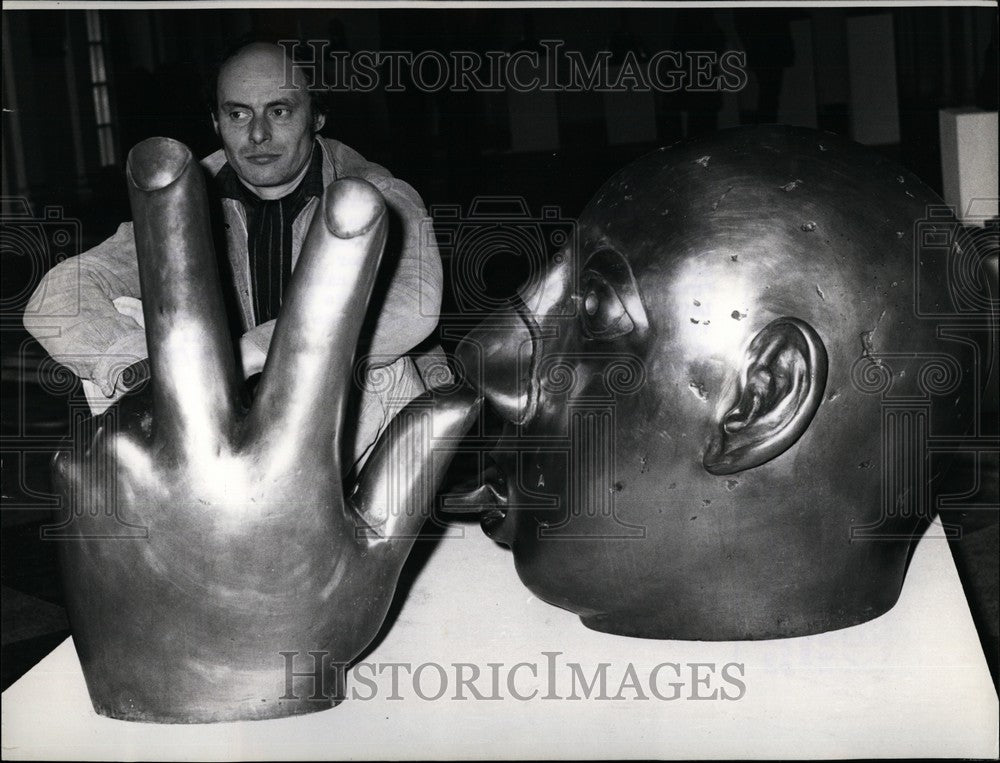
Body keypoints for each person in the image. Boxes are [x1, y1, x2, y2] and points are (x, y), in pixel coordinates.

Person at [24, 39, 444, 472]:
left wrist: (246, 354)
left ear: (317, 116)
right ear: (216, 121)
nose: (258, 134)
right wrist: (140, 363)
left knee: (378, 364)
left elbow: (414, 307)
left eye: (279, 111)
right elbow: (60, 293)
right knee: (121, 319)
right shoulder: (189, 197)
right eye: (238, 113)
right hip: (224, 420)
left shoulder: (377, 195)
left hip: (353, 432)